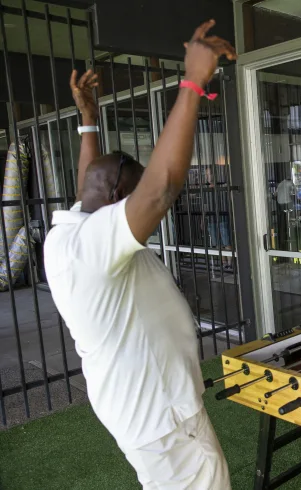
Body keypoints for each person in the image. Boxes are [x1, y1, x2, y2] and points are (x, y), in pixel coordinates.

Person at [43, 21, 237, 489]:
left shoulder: (70, 232)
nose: (143, 222)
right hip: (163, 425)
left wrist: (88, 119)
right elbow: (160, 189)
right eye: (130, 202)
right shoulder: (91, 248)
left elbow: (96, 184)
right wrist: (192, 82)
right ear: (117, 202)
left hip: (151, 415)